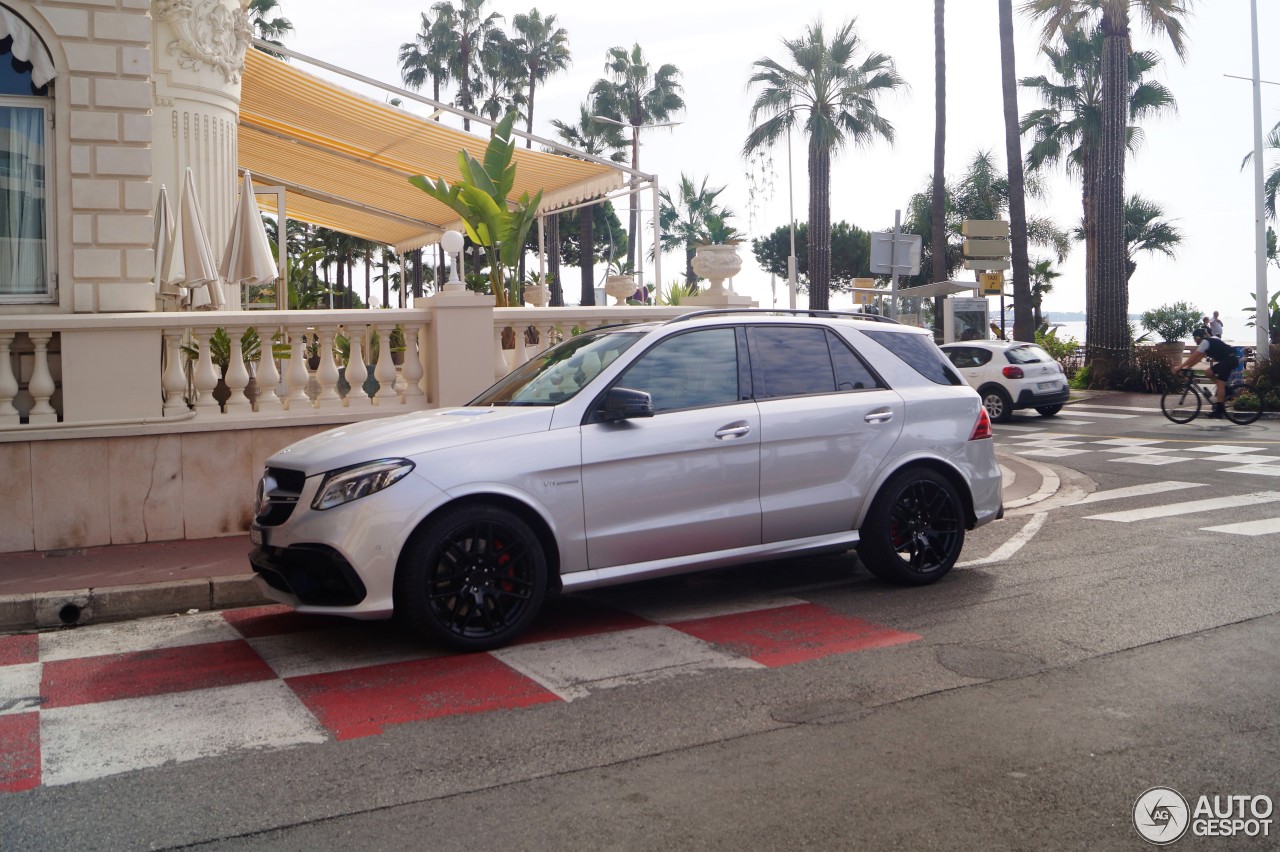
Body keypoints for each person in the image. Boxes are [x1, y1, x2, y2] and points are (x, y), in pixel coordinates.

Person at [1179, 326, 1240, 418]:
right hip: (1228, 360)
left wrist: (1180, 367)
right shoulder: (1207, 342)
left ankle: (1219, 411)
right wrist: (1188, 367)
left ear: (1199, 337)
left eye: (1195, 338)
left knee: (1220, 384)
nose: (1194, 340)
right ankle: (1226, 390)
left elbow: (1194, 356)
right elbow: (1198, 358)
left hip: (1229, 360)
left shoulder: (1205, 342)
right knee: (1208, 372)